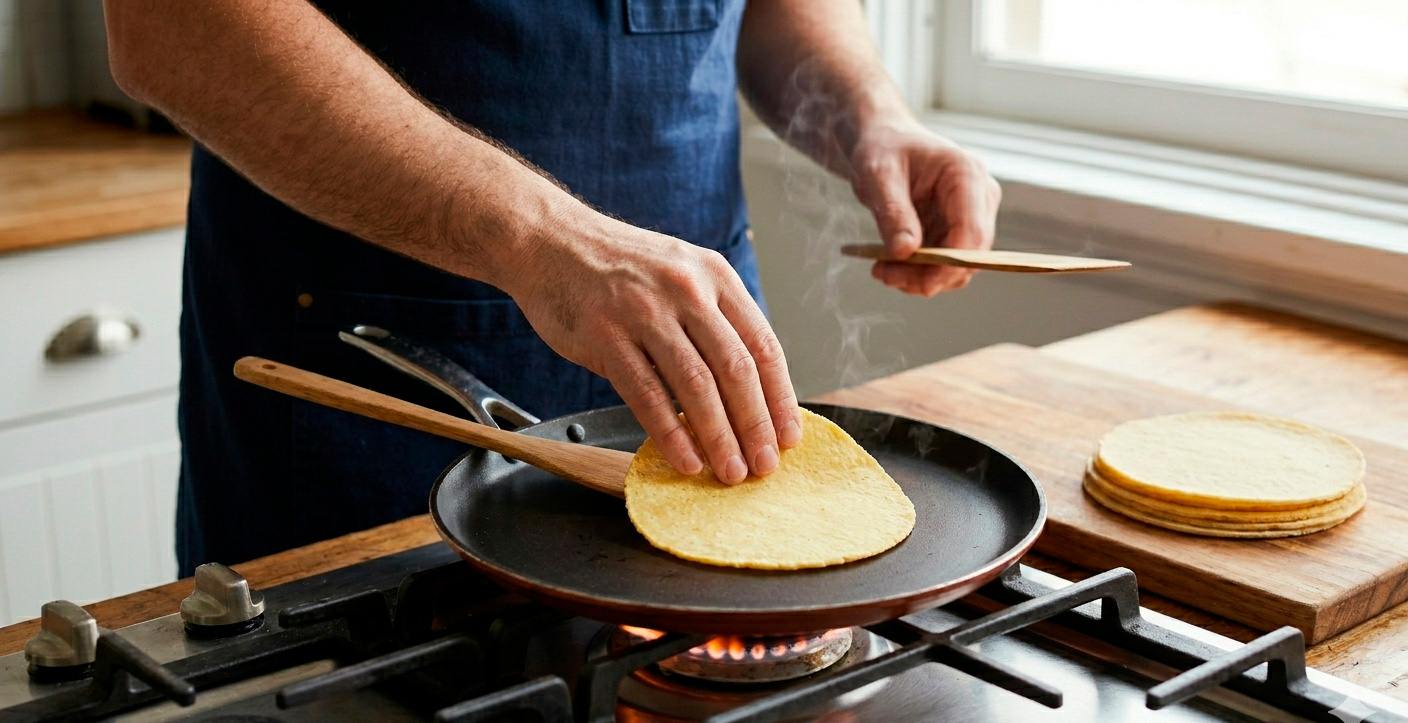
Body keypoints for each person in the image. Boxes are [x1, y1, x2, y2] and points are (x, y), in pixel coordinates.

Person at [104, 0, 1001, 576]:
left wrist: (869, 115)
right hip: (374, 374)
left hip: (689, 360)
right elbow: (174, 26)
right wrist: (541, 238)